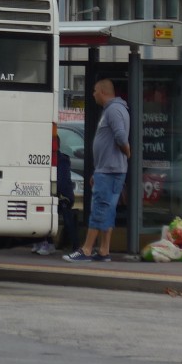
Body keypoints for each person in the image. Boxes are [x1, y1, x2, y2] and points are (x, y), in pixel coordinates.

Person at [65, 79, 131, 262]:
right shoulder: (113, 110)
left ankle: (86, 249)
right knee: (108, 209)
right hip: (107, 169)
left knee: (99, 208)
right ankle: (104, 250)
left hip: (110, 171)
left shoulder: (114, 110)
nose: (92, 94)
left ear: (102, 91)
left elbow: (120, 136)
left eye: (94, 90)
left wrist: (127, 151)